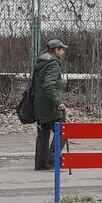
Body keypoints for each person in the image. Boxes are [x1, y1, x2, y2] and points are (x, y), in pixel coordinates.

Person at [33, 39, 68, 171]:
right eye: (61, 49)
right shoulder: (53, 64)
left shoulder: (40, 62)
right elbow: (49, 86)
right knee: (64, 132)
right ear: (56, 50)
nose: (63, 51)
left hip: (39, 106)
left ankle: (40, 164)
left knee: (43, 134)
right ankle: (51, 161)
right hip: (50, 107)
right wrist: (58, 102)